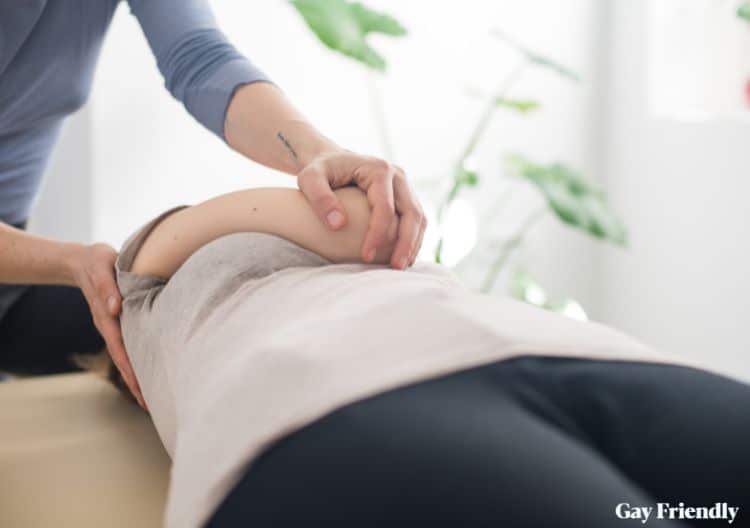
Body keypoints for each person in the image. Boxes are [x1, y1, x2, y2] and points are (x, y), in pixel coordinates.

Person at [106, 185, 749, 528]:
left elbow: (365, 220)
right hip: (330, 402)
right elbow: (359, 219)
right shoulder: (141, 295)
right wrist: (320, 183)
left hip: (545, 348)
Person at [0, 1, 425, 407]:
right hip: (25, 266)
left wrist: (318, 154)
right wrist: (69, 261)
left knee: (172, 329)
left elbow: (198, 58)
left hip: (15, 287)